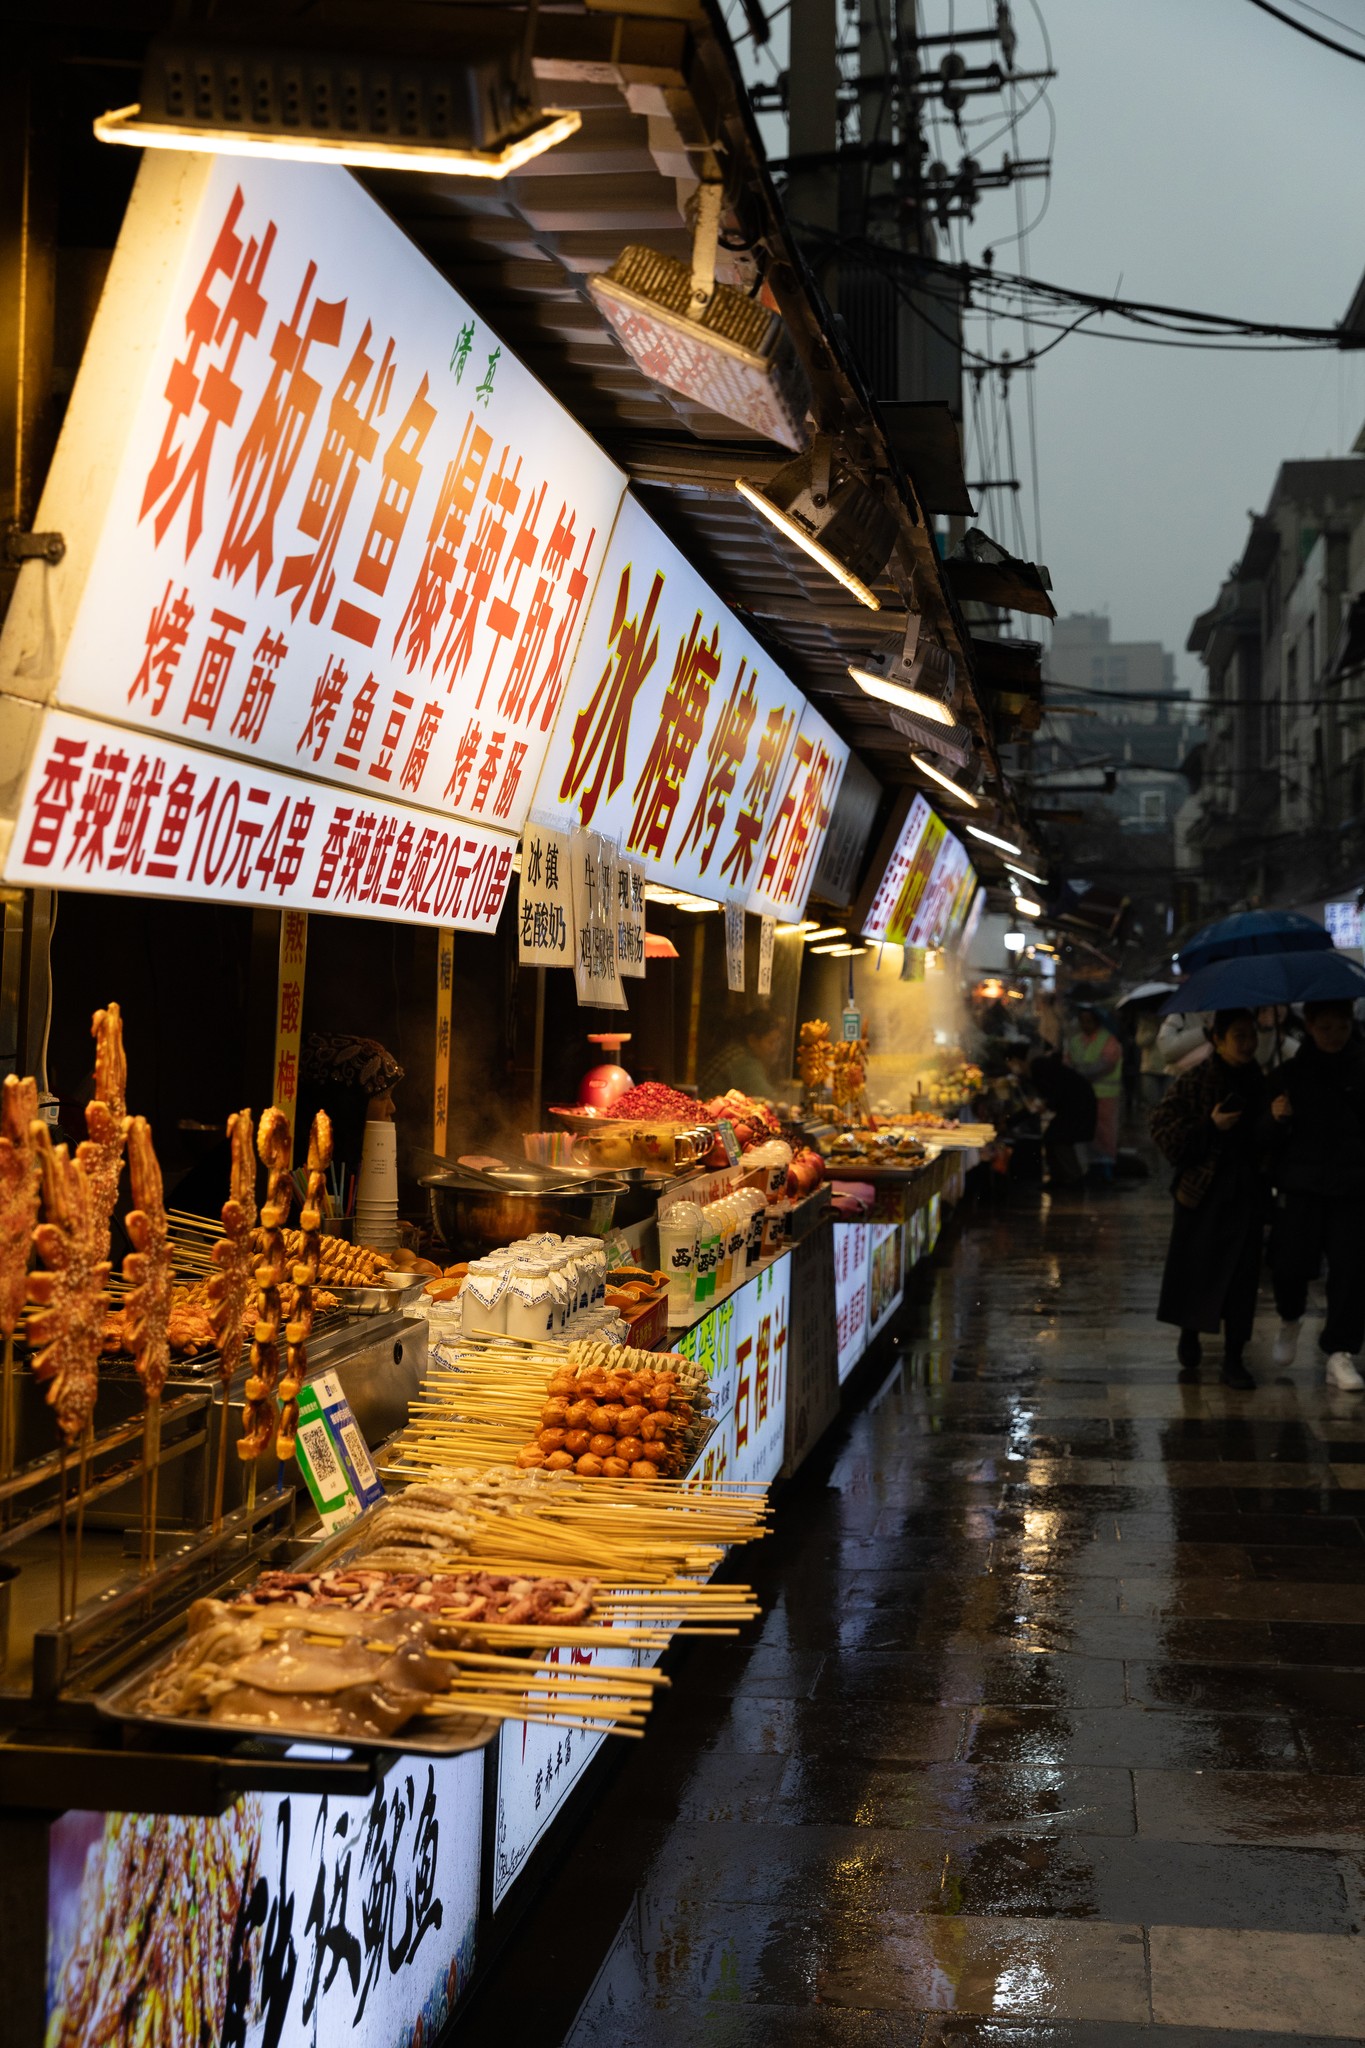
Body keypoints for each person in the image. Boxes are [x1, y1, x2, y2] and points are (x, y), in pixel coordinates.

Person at [1150, 1009, 1270, 1390]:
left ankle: (1235, 1357)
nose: (1248, 1044)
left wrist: (1278, 1119)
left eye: (1252, 1035)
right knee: (1197, 1269)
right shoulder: (1196, 1081)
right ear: (1217, 1039)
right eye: (1239, 1036)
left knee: (1242, 1276)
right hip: (1203, 1193)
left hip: (1247, 1192)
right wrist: (1210, 1127)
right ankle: (1191, 1331)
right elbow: (1163, 1129)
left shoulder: (1263, 1083)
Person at [1265, 999, 1365, 1391]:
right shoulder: (1290, 1074)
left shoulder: (1361, 1068)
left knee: (1351, 1271)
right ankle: (1290, 1317)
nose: (1333, 1036)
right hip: (1301, 1185)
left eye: (1340, 1028)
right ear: (1309, 1025)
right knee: (1289, 1264)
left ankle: (1339, 1352)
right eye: (1325, 1028)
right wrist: (1276, 1118)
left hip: (1352, 1187)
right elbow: (1265, 1138)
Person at [1003, 1041, 1096, 1186]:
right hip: (1074, 1106)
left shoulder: (1039, 1067)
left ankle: (1073, 1178)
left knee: (1058, 1138)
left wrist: (1011, 1122)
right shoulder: (1034, 1072)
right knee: (1053, 1137)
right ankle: (1060, 1178)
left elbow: (1053, 1094)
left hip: (1078, 1106)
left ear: (1015, 1060)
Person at [1066, 1006, 1123, 1176]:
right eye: (1083, 1021)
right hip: (1082, 1096)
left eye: (1089, 1021)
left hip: (1105, 1095)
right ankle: (1091, 1165)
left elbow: (1106, 1064)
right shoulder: (1075, 1041)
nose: (1086, 1025)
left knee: (1104, 1132)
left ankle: (1105, 1167)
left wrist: (1081, 1072)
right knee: (1088, 1132)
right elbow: (1068, 1062)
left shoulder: (1109, 1040)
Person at [699, 1007, 785, 1100]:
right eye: (771, 1042)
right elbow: (770, 1099)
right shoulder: (744, 1063)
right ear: (752, 1040)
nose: (776, 1048)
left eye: (778, 1040)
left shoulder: (737, 1051)